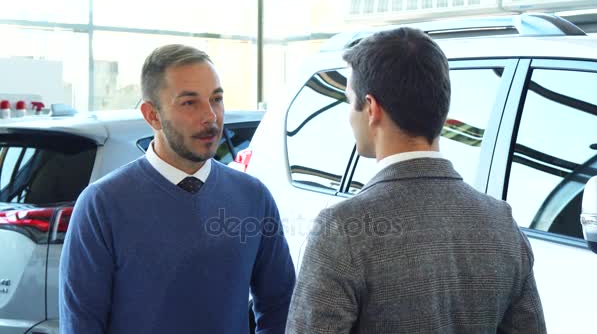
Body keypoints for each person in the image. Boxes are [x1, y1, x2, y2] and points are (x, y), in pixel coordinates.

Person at [286, 27, 546, 333]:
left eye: (348, 100)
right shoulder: (501, 222)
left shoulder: (342, 229)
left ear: (371, 108)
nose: (349, 115)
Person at [59, 44, 295, 333]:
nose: (210, 115)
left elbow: (280, 305)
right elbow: (81, 324)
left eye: (216, 99)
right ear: (152, 115)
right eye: (189, 103)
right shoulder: (101, 205)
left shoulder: (253, 197)